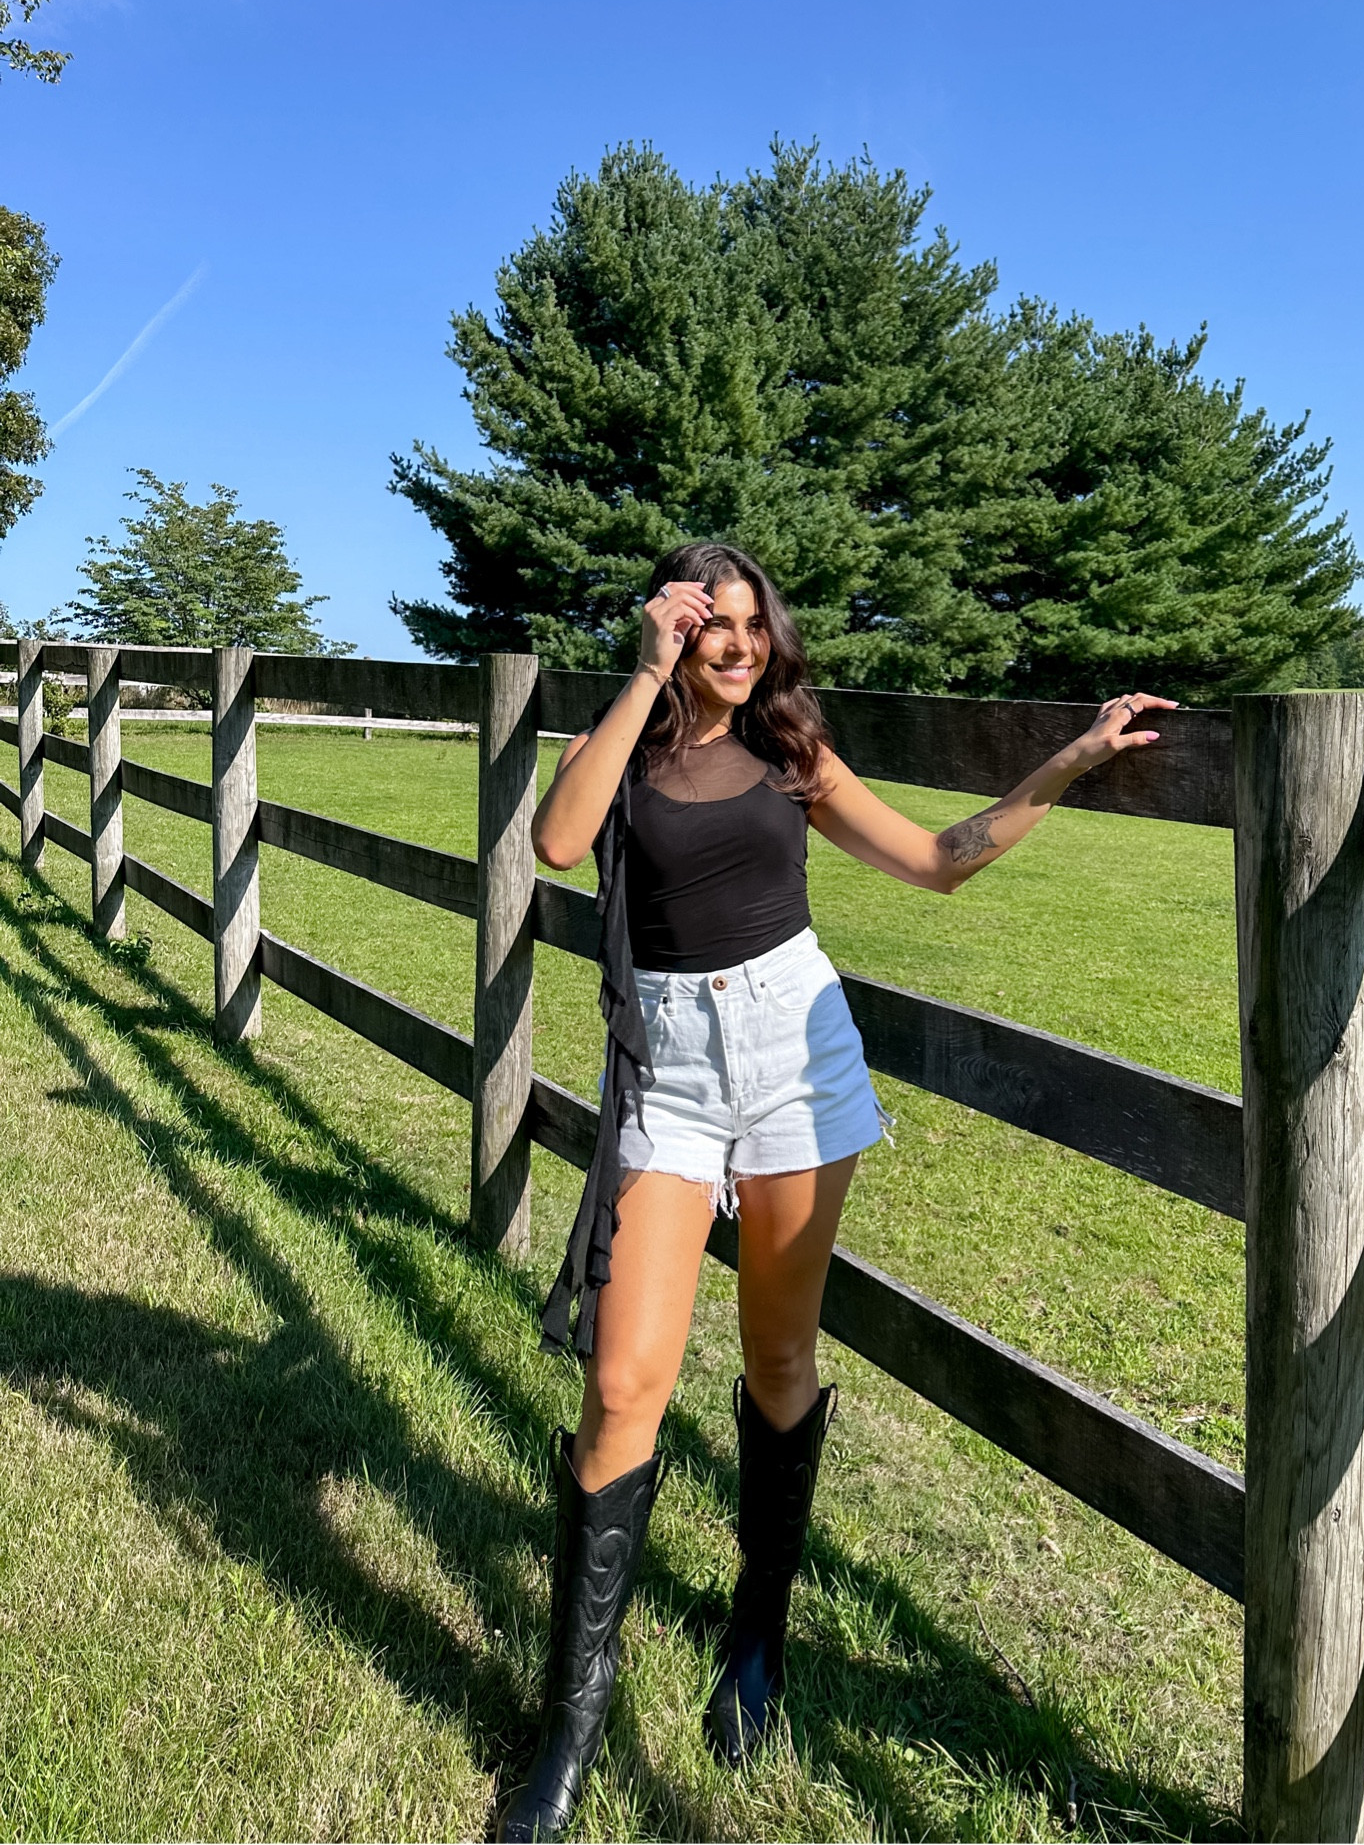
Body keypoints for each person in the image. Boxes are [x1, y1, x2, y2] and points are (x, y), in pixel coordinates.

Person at [499, 541, 1174, 1841]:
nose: (737, 646)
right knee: (621, 1387)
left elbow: (939, 858)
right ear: (674, 629)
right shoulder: (621, 746)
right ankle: (570, 1728)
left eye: (754, 626)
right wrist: (641, 673)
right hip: (668, 1077)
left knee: (778, 1358)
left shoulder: (791, 752)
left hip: (794, 1066)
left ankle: (757, 1635)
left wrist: (1073, 760)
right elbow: (558, 840)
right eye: (713, 625)